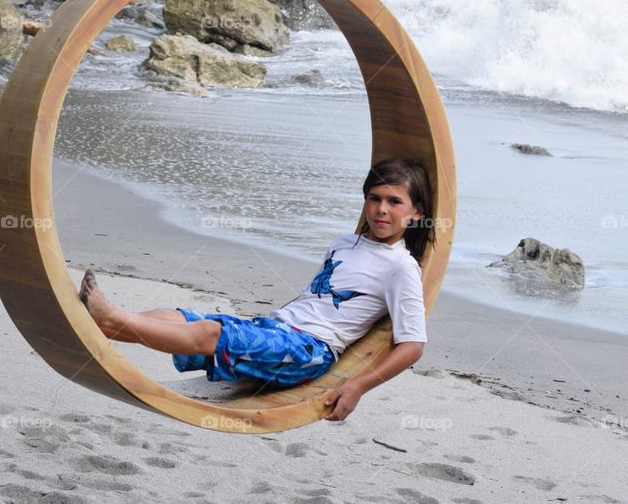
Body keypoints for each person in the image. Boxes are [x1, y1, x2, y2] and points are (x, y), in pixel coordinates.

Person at [78, 158, 433, 422]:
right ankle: (105, 325)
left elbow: (412, 345)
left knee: (209, 332)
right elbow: (314, 297)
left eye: (394, 201)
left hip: (309, 351)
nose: (381, 209)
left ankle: (114, 318)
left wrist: (357, 386)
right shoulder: (345, 243)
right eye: (374, 198)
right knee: (173, 317)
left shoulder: (401, 267)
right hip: (276, 329)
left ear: (416, 213)